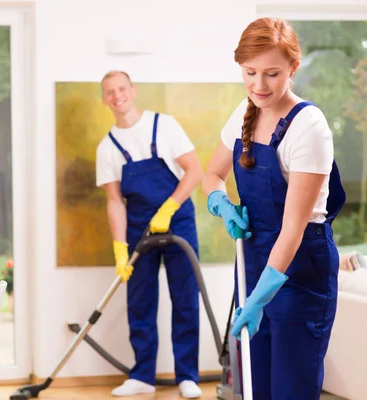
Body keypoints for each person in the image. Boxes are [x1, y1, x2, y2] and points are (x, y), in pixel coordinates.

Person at [202, 18, 345, 399]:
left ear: (293, 69)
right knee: (255, 385)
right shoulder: (244, 112)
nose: (259, 86)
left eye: (271, 74)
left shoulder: (308, 126)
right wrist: (220, 203)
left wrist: (261, 296)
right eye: (250, 73)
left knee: (290, 388)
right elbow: (212, 175)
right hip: (253, 260)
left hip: (300, 269)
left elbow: (294, 229)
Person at [96, 71, 204, 398]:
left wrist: (169, 208)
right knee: (140, 302)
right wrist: (119, 247)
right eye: (110, 92)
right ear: (105, 99)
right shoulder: (108, 147)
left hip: (178, 223)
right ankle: (142, 376)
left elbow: (195, 170)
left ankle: (188, 376)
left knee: (185, 298)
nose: (117, 96)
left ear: (133, 91)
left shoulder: (164, 125)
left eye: (122, 89)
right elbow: (115, 201)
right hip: (137, 228)